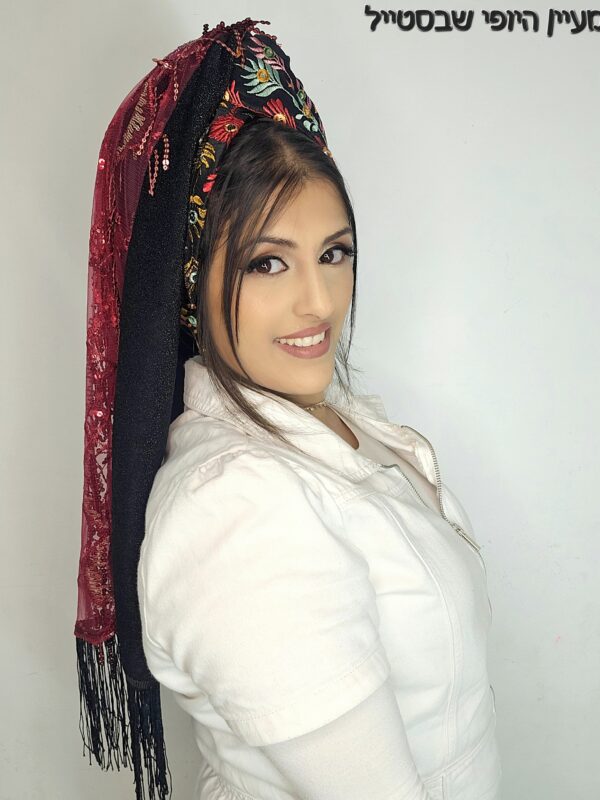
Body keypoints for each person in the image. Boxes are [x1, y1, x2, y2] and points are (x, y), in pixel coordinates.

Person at [74, 17, 502, 800]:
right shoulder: (237, 511)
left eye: (334, 254)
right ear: (192, 281)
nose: (319, 302)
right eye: (268, 263)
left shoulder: (324, 418)